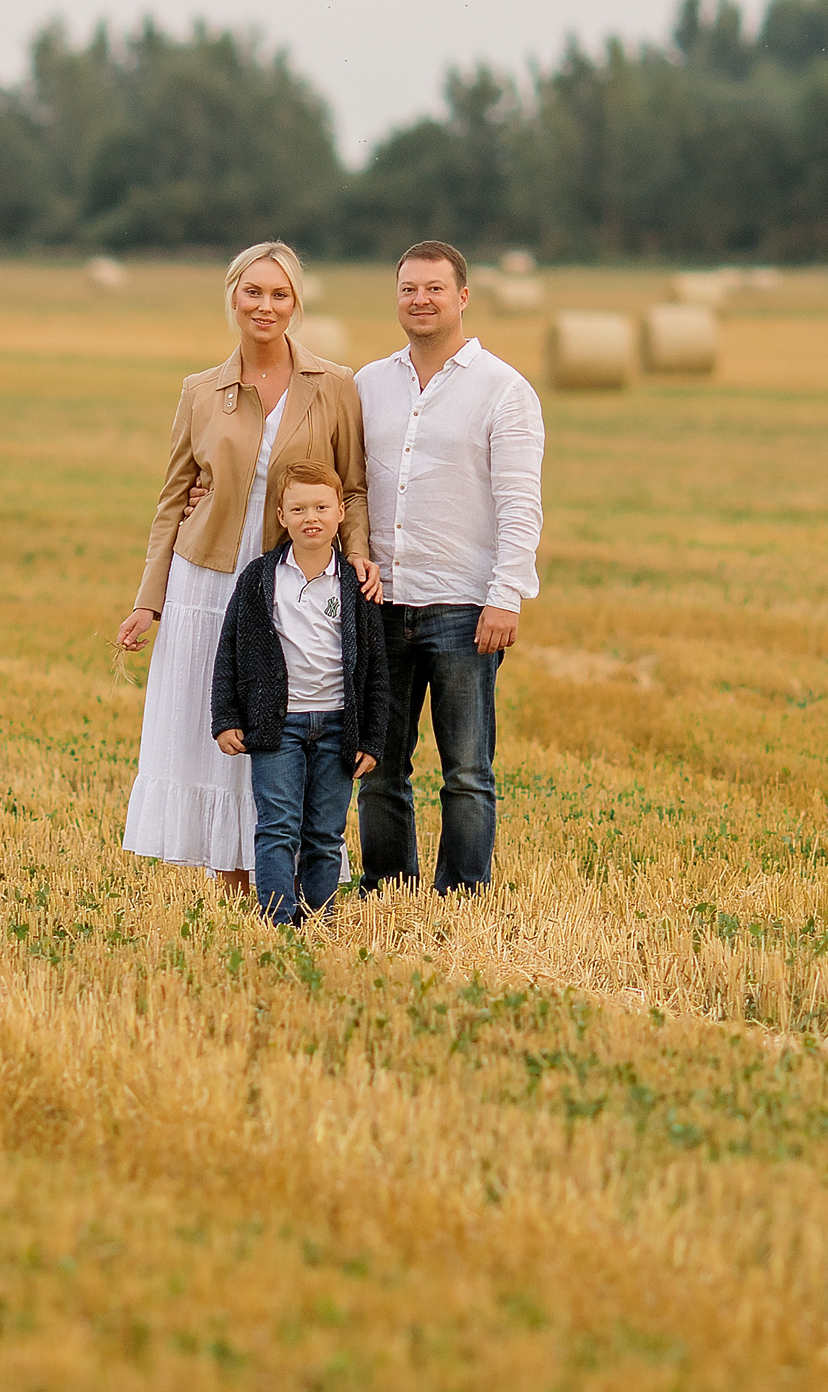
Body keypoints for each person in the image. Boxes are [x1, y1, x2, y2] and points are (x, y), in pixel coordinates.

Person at [117, 242, 371, 895]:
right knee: (225, 729)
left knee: (290, 719)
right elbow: (173, 499)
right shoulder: (200, 390)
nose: (265, 305)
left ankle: (292, 871)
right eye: (253, 291)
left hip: (296, 583)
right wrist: (150, 600)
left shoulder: (335, 384)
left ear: (297, 304)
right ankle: (233, 874)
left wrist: (360, 555)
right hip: (209, 581)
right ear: (232, 296)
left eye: (280, 293)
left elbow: (356, 486)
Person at [356, 241, 545, 894]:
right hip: (380, 602)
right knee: (378, 764)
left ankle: (463, 891)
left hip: (464, 605)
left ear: (462, 296)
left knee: (466, 767)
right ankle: (386, 884)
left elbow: (521, 505)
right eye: (409, 288)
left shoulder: (504, 390)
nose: (420, 299)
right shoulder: (368, 384)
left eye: (435, 288)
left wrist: (507, 594)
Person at [210, 461, 389, 924]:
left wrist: (371, 739)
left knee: (326, 832)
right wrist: (226, 716)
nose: (311, 517)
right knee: (277, 826)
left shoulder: (355, 584)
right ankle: (278, 919)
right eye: (299, 508)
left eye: (322, 507)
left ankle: (319, 914)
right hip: (277, 726)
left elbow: (375, 671)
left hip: (337, 726)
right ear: (281, 515)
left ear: (340, 514)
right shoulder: (260, 578)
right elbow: (231, 648)